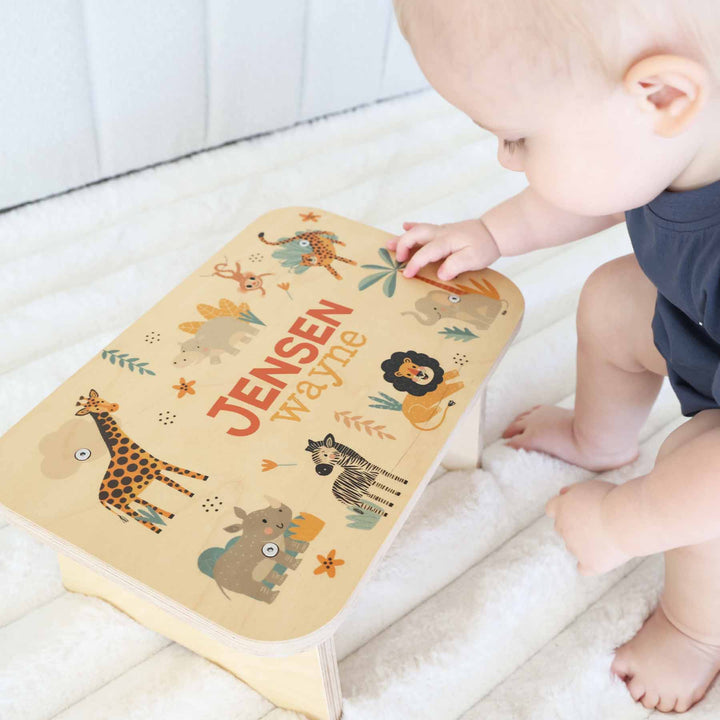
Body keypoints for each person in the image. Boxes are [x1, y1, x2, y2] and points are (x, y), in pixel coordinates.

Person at [387, 0, 720, 712]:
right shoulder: (683, 133)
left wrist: (624, 520)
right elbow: (605, 187)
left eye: (517, 137)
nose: (505, 158)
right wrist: (492, 234)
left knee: (693, 469)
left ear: (661, 95)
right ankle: (596, 437)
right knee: (611, 299)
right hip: (704, 329)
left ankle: (697, 633)